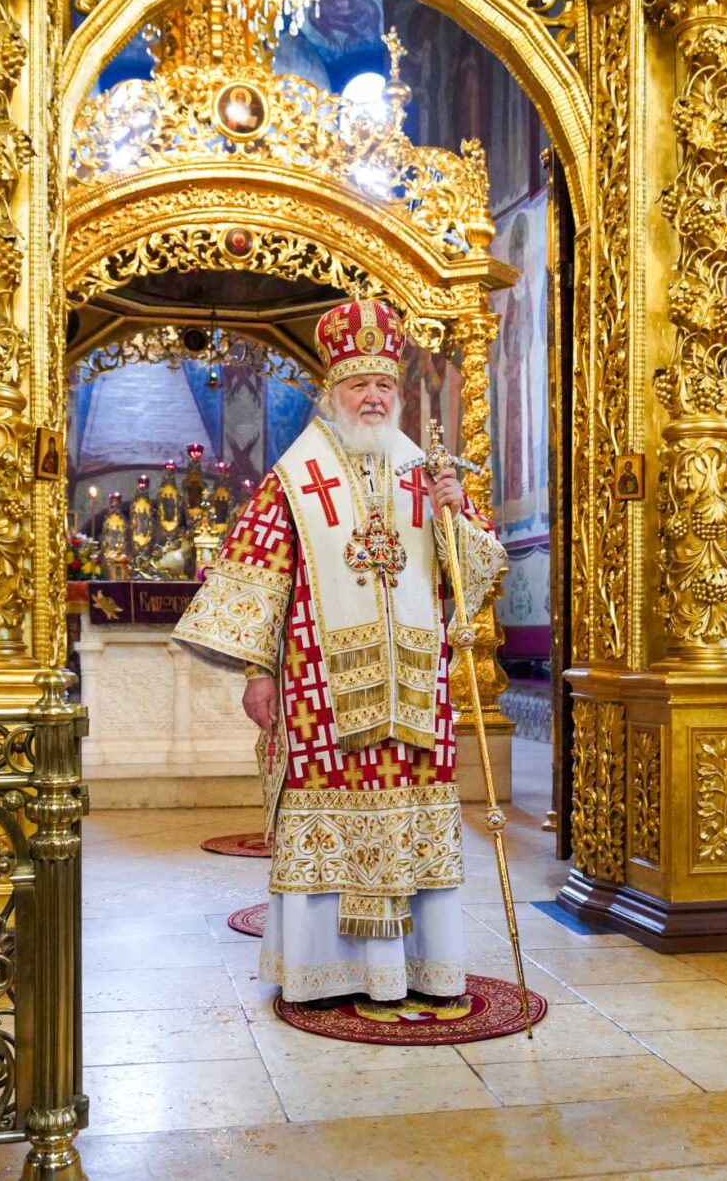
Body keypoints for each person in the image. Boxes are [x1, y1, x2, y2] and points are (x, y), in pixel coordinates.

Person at [173, 299, 505, 1005]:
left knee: (412, 815)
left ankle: (421, 967)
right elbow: (260, 573)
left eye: (384, 384)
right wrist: (258, 671)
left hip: (416, 690)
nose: (374, 397)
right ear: (335, 391)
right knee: (329, 809)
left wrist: (456, 510)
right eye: (359, 385)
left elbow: (475, 572)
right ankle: (325, 972)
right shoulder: (296, 475)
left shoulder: (426, 471)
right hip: (319, 686)